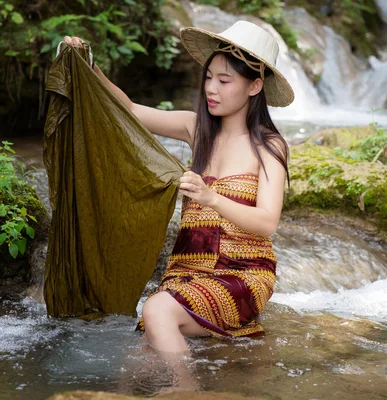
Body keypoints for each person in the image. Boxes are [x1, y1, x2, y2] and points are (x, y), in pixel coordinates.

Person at [63, 20, 294, 353]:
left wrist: (210, 197)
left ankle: (186, 392)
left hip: (243, 274)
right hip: (184, 271)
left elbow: (267, 221)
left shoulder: (270, 146)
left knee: (155, 310)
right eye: (209, 78)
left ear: (255, 86)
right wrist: (88, 64)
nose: (211, 89)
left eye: (225, 80)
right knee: (139, 359)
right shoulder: (195, 128)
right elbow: (128, 110)